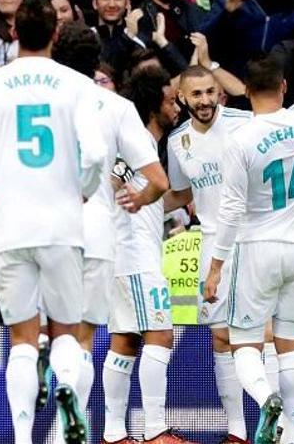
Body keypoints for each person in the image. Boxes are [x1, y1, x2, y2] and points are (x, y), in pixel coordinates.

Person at [0, 0, 106, 444]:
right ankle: (63, 415)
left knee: (21, 338)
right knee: (66, 333)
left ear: (13, 31)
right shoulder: (75, 85)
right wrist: (85, 188)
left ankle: (21, 437)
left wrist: (0, 166)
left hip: (10, 227)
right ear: (56, 33)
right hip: (61, 224)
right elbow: (95, 153)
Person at [204, 9, 294, 444]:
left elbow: (230, 209)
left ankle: (266, 400)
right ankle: (293, 436)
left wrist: (215, 267)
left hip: (255, 248)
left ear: (244, 91)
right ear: (283, 87)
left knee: (244, 344)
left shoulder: (239, 140)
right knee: (291, 345)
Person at [51, 21, 169, 443]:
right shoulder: (113, 108)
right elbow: (155, 179)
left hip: (48, 235)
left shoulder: (36, 103)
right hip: (109, 236)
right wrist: (139, 194)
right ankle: (150, 431)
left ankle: (75, 431)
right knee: (98, 336)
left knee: (60, 340)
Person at [163, 65, 260, 444]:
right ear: (182, 98)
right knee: (220, 336)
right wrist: (139, 200)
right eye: (197, 94)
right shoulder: (177, 141)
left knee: (263, 335)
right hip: (210, 243)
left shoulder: (244, 122)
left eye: (210, 92)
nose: (205, 101)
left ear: (219, 92)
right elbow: (182, 194)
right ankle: (237, 432)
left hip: (252, 240)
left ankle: (281, 424)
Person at [104, 65, 196, 444]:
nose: (177, 107)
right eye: (171, 100)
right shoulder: (135, 142)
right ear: (153, 103)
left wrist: (190, 190)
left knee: (124, 341)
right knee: (160, 333)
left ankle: (114, 434)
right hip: (135, 255)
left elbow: (161, 197)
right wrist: (124, 192)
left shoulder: (145, 146)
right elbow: (111, 180)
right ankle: (156, 430)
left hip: (123, 256)